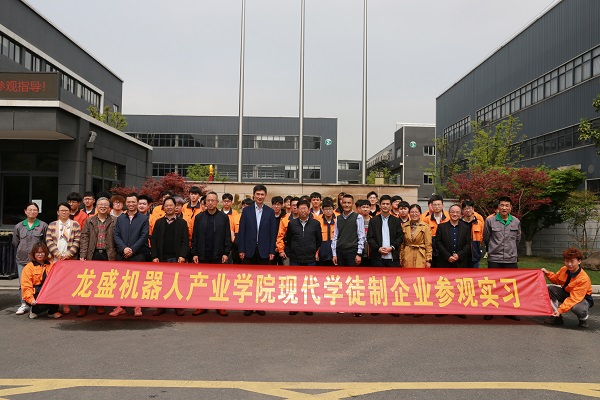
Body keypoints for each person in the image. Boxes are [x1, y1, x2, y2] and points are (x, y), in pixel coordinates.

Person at [237, 184, 277, 316]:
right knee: (248, 279)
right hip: (249, 250)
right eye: (257, 194)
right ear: (254, 195)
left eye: (262, 194)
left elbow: (273, 233)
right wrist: (241, 249)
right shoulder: (247, 211)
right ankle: (248, 305)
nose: (260, 196)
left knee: (262, 279)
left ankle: (260, 305)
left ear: (265, 196)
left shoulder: (270, 212)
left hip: (264, 250)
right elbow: (241, 232)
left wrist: (271, 251)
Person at [191, 192, 231, 317]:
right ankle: (201, 305)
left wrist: (226, 252)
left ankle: (219, 305)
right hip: (202, 254)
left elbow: (227, 237)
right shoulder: (199, 217)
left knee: (218, 281)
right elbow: (195, 237)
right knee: (203, 281)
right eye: (208, 200)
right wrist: (194, 253)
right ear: (204, 202)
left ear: (217, 202)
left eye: (213, 200)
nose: (210, 203)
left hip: (218, 254)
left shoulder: (223, 218)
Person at [483, 195, 521, 321]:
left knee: (510, 286)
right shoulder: (490, 221)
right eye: (502, 205)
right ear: (498, 207)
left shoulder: (516, 222)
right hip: (495, 258)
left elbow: (518, 239)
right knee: (492, 285)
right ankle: (490, 310)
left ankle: (510, 311)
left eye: (507, 206)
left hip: (511, 258)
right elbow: (487, 238)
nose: (504, 208)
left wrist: (511, 250)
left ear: (510, 208)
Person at [111, 193, 149, 317]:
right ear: (125, 203)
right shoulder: (121, 218)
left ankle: (137, 306)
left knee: (137, 282)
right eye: (129, 202)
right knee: (121, 282)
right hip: (122, 254)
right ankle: (120, 306)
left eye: (133, 202)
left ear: (137, 203)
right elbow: (116, 235)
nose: (131, 204)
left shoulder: (143, 219)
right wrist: (124, 248)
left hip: (137, 254)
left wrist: (132, 249)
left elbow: (144, 236)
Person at [151, 196, 189, 317]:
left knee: (176, 283)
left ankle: (178, 306)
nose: (169, 207)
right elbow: (153, 240)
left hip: (176, 258)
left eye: (171, 205)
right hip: (162, 257)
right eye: (166, 205)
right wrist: (155, 256)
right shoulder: (159, 222)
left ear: (175, 207)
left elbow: (185, 241)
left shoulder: (182, 223)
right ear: (163, 207)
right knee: (162, 283)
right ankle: (161, 306)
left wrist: (182, 255)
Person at [78, 197, 116, 317]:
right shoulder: (89, 220)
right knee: (88, 280)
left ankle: (99, 304)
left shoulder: (114, 220)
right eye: (100, 205)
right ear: (97, 207)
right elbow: (84, 238)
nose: (103, 207)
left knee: (103, 281)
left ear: (109, 207)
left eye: (105, 205)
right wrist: (83, 254)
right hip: (92, 253)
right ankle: (84, 306)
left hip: (107, 254)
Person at [285, 199, 321, 316]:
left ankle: (307, 306)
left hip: (310, 259)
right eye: (300, 208)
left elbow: (319, 240)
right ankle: (294, 306)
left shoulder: (315, 224)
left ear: (309, 210)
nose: (303, 211)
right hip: (295, 259)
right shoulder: (292, 223)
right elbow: (288, 240)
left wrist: (312, 250)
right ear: (297, 210)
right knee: (295, 283)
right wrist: (290, 252)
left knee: (309, 284)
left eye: (305, 208)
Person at [542, 247, 593, 328]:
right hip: (567, 293)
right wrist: (547, 273)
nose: (569, 264)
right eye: (567, 261)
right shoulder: (564, 269)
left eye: (572, 261)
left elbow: (574, 298)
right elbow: (556, 279)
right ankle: (556, 317)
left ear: (579, 261)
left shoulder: (583, 279)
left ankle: (583, 318)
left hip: (581, 298)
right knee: (550, 289)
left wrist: (560, 310)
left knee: (577, 308)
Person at [12, 202, 48, 315]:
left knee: (39, 282)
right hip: (22, 259)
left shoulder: (43, 225)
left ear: (38, 212)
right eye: (30, 210)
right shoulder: (19, 226)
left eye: (35, 210)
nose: (32, 212)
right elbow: (15, 242)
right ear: (25, 211)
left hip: (37, 260)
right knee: (23, 283)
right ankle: (23, 304)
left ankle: (38, 303)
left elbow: (46, 242)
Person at [46, 202, 81, 315]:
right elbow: (49, 240)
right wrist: (57, 253)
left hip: (70, 258)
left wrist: (69, 254)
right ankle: (55, 304)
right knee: (55, 282)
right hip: (55, 258)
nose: (64, 212)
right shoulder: (52, 225)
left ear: (70, 212)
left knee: (68, 282)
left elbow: (77, 240)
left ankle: (66, 303)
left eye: (66, 210)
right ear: (58, 212)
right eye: (62, 210)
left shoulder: (75, 225)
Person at [20, 243, 61, 319]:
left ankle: (52, 311)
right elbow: (26, 285)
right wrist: (31, 299)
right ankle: (33, 310)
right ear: (33, 253)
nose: (40, 255)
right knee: (38, 305)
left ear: (46, 253)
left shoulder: (51, 265)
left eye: (42, 252)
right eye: (37, 252)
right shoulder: (28, 267)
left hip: (48, 291)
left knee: (57, 291)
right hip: (36, 293)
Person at [367, 195, 403, 267]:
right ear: (380, 205)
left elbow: (400, 237)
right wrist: (378, 248)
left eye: (387, 204)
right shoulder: (373, 220)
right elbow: (370, 238)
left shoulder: (396, 221)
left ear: (391, 206)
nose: (385, 206)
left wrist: (392, 247)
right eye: (383, 204)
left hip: (393, 257)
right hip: (377, 257)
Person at [332, 193, 366, 268]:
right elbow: (335, 236)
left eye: (349, 203)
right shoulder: (338, 218)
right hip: (340, 251)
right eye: (344, 203)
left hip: (352, 251)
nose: (346, 205)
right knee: (341, 273)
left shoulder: (358, 217)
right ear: (341, 203)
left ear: (352, 204)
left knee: (352, 273)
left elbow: (361, 236)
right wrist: (334, 254)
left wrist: (359, 253)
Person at [400, 204, 432, 268]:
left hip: (420, 254)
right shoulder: (404, 226)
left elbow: (428, 244)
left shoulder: (425, 226)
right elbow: (402, 244)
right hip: (407, 254)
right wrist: (401, 257)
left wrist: (428, 260)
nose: (414, 214)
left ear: (420, 213)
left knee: (419, 273)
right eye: (412, 212)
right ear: (409, 213)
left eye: (416, 212)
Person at [422, 195, 449, 268]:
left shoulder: (448, 218)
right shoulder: (426, 219)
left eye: (439, 204)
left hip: (445, 248)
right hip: (431, 248)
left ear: (442, 205)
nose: (437, 207)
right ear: (432, 206)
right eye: (435, 205)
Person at [276, 197, 300, 266]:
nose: (295, 207)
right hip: (287, 252)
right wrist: (281, 250)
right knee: (288, 271)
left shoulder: (305, 218)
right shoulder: (284, 219)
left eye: (297, 205)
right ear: (290, 206)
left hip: (302, 253)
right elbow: (280, 236)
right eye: (293, 205)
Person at [461, 200, 484, 268]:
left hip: (474, 254)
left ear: (473, 209)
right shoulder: (459, 223)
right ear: (462, 211)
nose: (468, 210)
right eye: (465, 209)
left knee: (475, 273)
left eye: (469, 208)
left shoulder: (479, 223)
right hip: (461, 255)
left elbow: (483, 237)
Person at [316, 197, 336, 266]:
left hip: (334, 253)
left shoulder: (337, 221)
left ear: (333, 210)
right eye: (326, 209)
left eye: (330, 209)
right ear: (322, 210)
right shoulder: (318, 221)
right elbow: (315, 239)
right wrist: (316, 253)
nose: (328, 211)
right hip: (322, 253)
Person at [356, 199, 372, 266]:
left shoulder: (374, 221)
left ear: (370, 208)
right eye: (363, 207)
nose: (365, 209)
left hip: (371, 253)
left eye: (367, 207)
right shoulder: (356, 220)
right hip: (358, 253)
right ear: (360, 208)